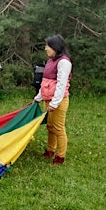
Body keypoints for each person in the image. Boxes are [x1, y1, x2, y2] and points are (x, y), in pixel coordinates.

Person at [34, 34, 72, 165]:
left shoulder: (64, 62)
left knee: (58, 128)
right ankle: (50, 150)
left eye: (48, 46)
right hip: (47, 100)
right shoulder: (51, 61)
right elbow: (45, 83)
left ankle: (60, 157)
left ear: (55, 47)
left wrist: (55, 103)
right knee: (50, 126)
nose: (45, 48)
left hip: (58, 101)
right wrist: (38, 98)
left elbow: (61, 85)